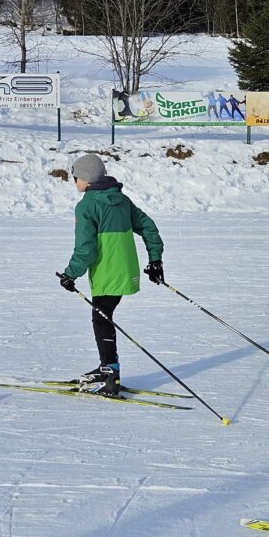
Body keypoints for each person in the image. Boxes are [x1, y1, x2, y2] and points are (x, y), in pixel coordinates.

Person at [58, 154, 164, 396]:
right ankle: (108, 368)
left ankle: (109, 374)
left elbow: (86, 249)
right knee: (104, 317)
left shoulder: (86, 206)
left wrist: (70, 274)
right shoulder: (122, 200)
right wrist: (155, 260)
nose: (74, 182)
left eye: (75, 177)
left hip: (107, 274)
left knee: (101, 320)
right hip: (126, 272)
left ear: (85, 178)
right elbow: (148, 227)